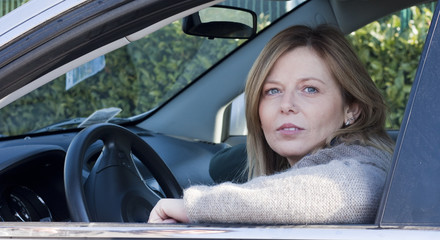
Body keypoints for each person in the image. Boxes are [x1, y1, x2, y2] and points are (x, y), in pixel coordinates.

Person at [147, 24, 394, 224]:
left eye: (310, 89)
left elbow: (348, 190)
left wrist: (192, 207)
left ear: (351, 109)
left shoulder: (367, 163)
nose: (286, 105)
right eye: (273, 91)